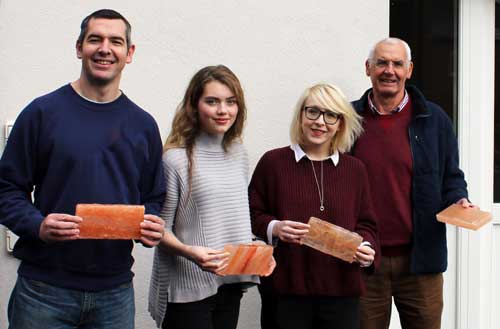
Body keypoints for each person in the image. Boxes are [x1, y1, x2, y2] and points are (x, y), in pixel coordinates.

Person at [0, 9, 166, 329]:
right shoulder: (42, 113)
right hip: (43, 293)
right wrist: (37, 224)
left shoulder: (143, 125)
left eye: (116, 41)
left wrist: (151, 225)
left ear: (129, 53)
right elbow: (7, 188)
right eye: (95, 39)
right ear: (79, 48)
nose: (105, 48)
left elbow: (153, 196)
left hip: (114, 294)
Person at [351, 37, 471, 329]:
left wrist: (459, 200)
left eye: (397, 64)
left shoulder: (434, 119)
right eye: (381, 63)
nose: (389, 70)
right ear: (368, 68)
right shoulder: (348, 118)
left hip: (421, 261)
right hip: (365, 260)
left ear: (409, 70)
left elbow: (451, 177)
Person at [148, 65, 270, 329]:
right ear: (194, 106)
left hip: (230, 283)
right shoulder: (175, 159)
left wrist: (254, 245)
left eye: (230, 102)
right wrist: (190, 252)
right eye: (212, 101)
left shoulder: (238, 153)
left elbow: (233, 218)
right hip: (188, 289)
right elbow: (159, 229)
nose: (223, 110)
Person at [249, 83, 379, 329]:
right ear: (301, 115)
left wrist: (366, 248)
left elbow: (367, 223)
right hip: (286, 293)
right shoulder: (273, 163)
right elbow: (252, 213)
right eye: (313, 112)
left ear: (340, 123)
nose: (320, 121)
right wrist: (275, 228)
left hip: (342, 294)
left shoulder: (355, 170)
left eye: (330, 115)